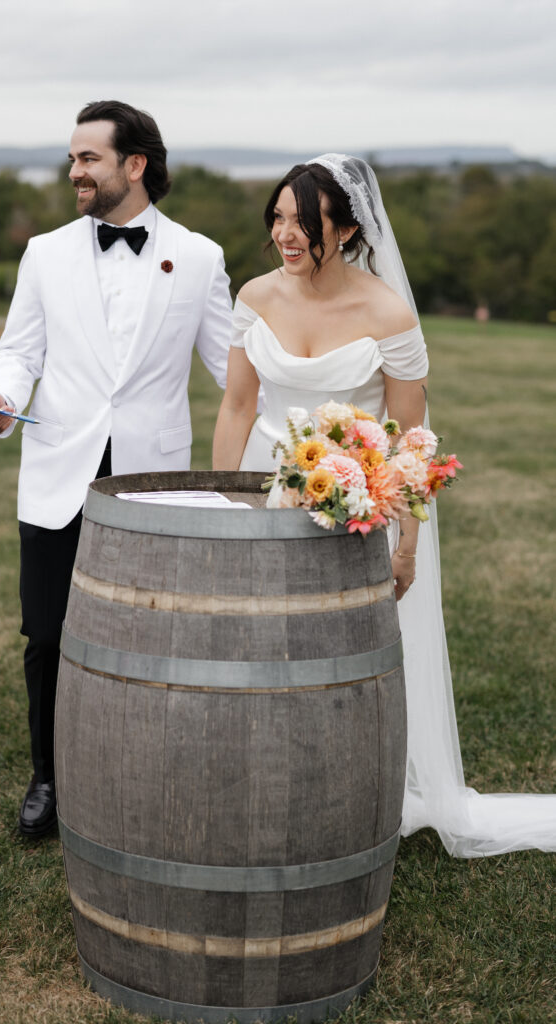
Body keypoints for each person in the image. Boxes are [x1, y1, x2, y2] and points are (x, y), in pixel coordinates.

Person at [213, 154, 556, 857]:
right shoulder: (252, 298)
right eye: (276, 218)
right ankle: (269, 788)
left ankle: (342, 793)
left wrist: (404, 546)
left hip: (353, 509)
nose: (285, 234)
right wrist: (229, 502)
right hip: (263, 494)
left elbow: (408, 439)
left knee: (336, 656)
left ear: (341, 230)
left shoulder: (386, 313)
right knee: (261, 650)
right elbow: (238, 405)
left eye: (302, 222)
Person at [0, 100, 232, 838]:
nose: (74, 171)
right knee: (48, 635)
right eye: (72, 159)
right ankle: (48, 779)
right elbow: (20, 350)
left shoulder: (202, 257)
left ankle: (140, 772)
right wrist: (2, 393)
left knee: (148, 634)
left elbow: (231, 371)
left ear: (134, 164)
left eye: (87, 158)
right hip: (58, 472)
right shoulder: (45, 253)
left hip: (151, 483)